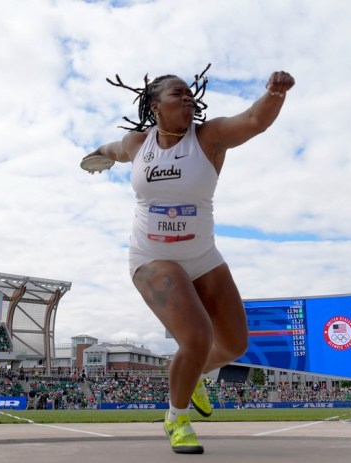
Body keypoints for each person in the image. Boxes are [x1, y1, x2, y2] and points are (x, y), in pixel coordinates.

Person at [82, 65, 294, 454]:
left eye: (189, 94)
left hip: (202, 256)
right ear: (154, 105)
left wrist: (275, 94)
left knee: (233, 345)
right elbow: (113, 151)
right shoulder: (137, 143)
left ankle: (194, 372)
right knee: (196, 336)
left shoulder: (208, 137)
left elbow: (252, 120)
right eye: (177, 94)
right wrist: (99, 155)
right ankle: (177, 418)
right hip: (152, 256)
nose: (187, 98)